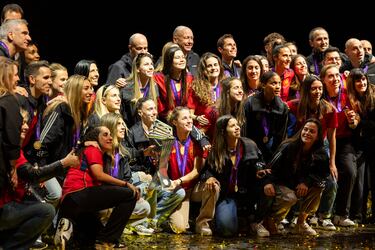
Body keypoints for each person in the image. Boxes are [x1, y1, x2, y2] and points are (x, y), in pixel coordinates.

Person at [0, 108, 79, 250]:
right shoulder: (8, 147)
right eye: (21, 122)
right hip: (4, 207)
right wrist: (64, 162)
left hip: (13, 202)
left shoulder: (16, 147)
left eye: (26, 123)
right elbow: (32, 174)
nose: (25, 126)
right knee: (47, 209)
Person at [56, 126, 138, 249]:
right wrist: (125, 184)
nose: (110, 138)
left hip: (72, 203)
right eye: (105, 135)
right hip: (79, 195)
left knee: (89, 241)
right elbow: (98, 175)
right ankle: (107, 240)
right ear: (95, 139)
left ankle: (68, 228)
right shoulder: (93, 149)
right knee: (130, 194)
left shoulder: (87, 150)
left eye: (110, 134)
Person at [125, 97, 185, 231]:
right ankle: (141, 221)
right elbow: (127, 161)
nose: (154, 112)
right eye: (150, 109)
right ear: (140, 112)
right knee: (147, 184)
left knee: (179, 192)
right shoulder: (132, 133)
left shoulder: (163, 131)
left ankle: (153, 220)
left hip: (156, 178)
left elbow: (163, 166)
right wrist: (144, 155)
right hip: (139, 178)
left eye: (155, 109)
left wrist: (165, 174)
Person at [262, 118, 330, 236]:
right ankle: (271, 220)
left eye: (312, 131)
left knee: (319, 186)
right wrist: (268, 182)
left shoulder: (321, 152)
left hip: (301, 185)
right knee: (290, 197)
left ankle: (301, 223)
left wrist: (306, 182)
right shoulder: (288, 146)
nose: (307, 133)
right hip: (282, 183)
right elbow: (271, 167)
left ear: (318, 136)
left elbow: (323, 174)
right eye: (305, 129)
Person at [201, 115, 266, 237]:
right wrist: (208, 177)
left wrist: (259, 169)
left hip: (247, 194)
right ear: (223, 131)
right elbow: (206, 170)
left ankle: (257, 222)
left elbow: (260, 162)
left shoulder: (250, 145)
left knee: (266, 186)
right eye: (232, 126)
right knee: (227, 230)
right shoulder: (216, 150)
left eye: (237, 125)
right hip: (227, 196)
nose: (237, 128)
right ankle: (223, 219)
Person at [100, 112, 155, 235]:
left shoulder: (121, 153)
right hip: (103, 198)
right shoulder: (101, 152)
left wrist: (133, 192)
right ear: (109, 127)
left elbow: (127, 179)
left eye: (123, 124)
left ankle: (115, 224)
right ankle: (109, 224)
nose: (123, 127)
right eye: (118, 124)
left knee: (145, 205)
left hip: (117, 197)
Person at [167, 106, 218, 235]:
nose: (189, 121)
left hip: (193, 189)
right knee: (180, 228)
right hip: (177, 192)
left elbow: (197, 171)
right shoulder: (168, 142)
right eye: (184, 118)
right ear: (174, 122)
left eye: (190, 117)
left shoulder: (198, 142)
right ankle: (167, 218)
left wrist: (179, 180)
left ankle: (202, 223)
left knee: (213, 186)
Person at [346, 68, 375, 223]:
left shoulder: (374, 94)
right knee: (360, 182)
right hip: (359, 145)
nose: (362, 82)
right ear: (352, 83)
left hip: (372, 143)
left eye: (363, 79)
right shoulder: (350, 99)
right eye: (358, 80)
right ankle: (358, 215)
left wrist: (360, 122)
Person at [244, 71, 289, 163]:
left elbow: (281, 136)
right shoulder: (249, 103)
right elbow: (244, 131)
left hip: (270, 147)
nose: (278, 87)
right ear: (263, 85)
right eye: (273, 83)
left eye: (279, 83)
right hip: (251, 147)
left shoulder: (282, 107)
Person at [189, 52, 224, 140]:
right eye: (209, 66)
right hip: (203, 133)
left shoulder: (226, 85)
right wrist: (197, 118)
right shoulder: (196, 87)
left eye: (215, 65)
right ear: (203, 70)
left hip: (221, 131)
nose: (213, 68)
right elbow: (189, 114)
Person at [120, 52, 159, 128]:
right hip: (130, 130)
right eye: (146, 64)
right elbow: (123, 115)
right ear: (137, 69)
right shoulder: (127, 88)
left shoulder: (154, 87)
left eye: (151, 64)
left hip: (148, 130)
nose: (151, 67)